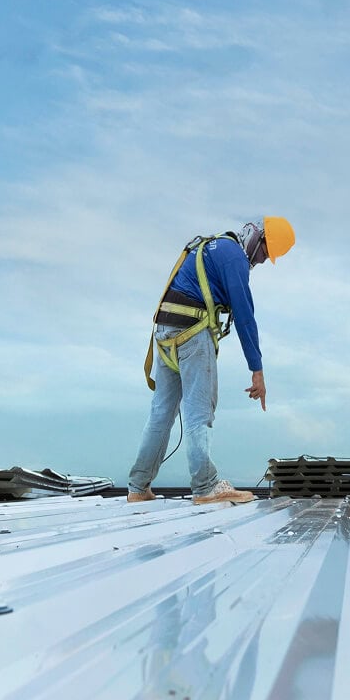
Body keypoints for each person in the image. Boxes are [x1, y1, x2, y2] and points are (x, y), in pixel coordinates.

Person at [127, 216, 295, 506]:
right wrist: (257, 371)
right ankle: (205, 487)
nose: (265, 261)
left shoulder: (212, 246)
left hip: (165, 331)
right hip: (192, 332)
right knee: (199, 411)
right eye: (267, 253)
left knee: (161, 412)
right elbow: (245, 317)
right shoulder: (235, 259)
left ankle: (138, 487)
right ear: (259, 239)